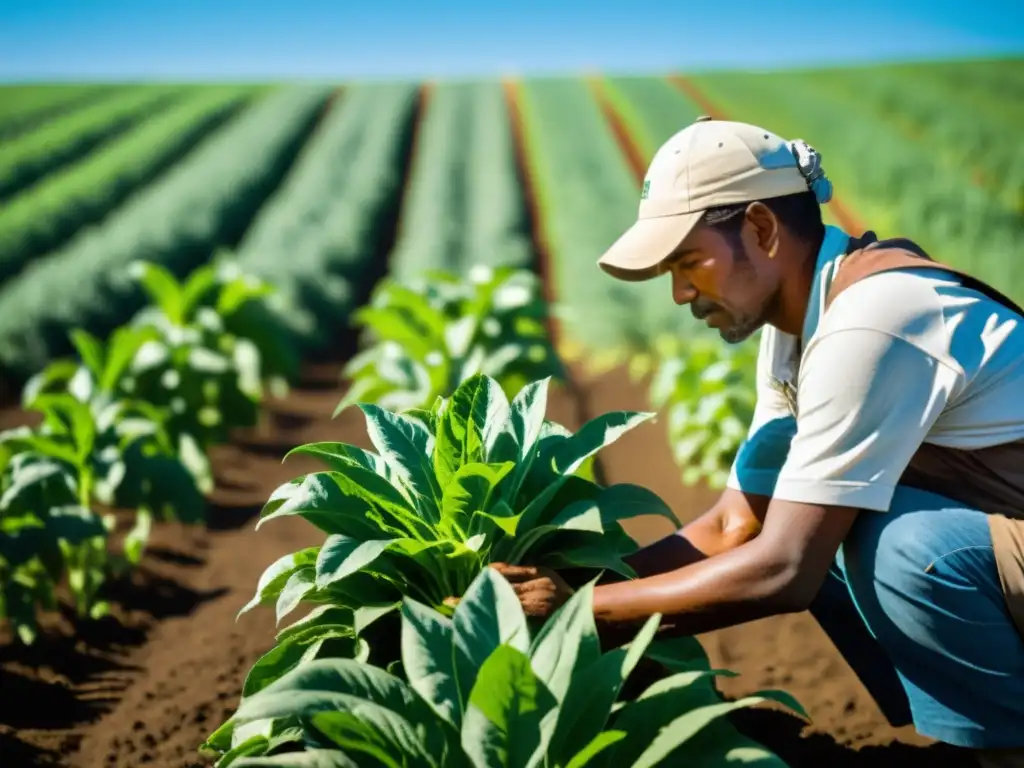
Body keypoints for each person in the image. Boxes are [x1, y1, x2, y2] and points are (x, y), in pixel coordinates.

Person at [490, 116, 1024, 767]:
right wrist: (568, 588)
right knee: (803, 491)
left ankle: (1007, 747)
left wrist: (578, 613)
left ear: (762, 229)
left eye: (689, 263)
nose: (681, 292)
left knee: (900, 549)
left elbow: (783, 570)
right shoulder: (799, 325)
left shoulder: (872, 323)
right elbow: (739, 522)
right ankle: (969, 736)